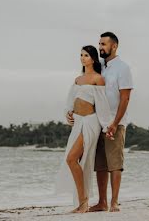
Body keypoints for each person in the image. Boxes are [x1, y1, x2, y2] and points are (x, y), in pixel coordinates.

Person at [55, 46, 114, 213]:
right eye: (81, 55)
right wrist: (68, 114)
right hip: (78, 122)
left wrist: (107, 127)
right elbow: (69, 102)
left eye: (86, 55)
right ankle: (82, 202)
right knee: (74, 161)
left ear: (93, 59)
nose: (82, 58)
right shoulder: (77, 80)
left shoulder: (98, 79)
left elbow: (102, 107)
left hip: (90, 122)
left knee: (72, 159)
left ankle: (83, 203)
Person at [91, 32, 133, 213]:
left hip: (115, 122)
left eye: (104, 44)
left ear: (114, 46)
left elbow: (125, 99)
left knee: (115, 163)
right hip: (97, 122)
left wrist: (115, 123)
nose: (100, 47)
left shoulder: (123, 68)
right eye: (99, 44)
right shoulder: (99, 67)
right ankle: (102, 202)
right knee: (100, 164)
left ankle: (114, 202)